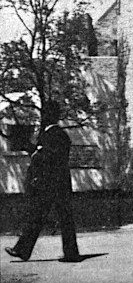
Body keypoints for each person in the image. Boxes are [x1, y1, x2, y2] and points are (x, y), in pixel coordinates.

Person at [5, 100, 81, 262]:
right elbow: (47, 155)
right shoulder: (56, 134)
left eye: (45, 113)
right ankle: (70, 253)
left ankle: (23, 250)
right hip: (58, 183)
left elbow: (49, 157)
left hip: (51, 183)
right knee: (61, 217)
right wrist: (34, 150)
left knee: (41, 216)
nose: (43, 116)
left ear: (50, 115)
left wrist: (36, 153)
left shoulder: (53, 134)